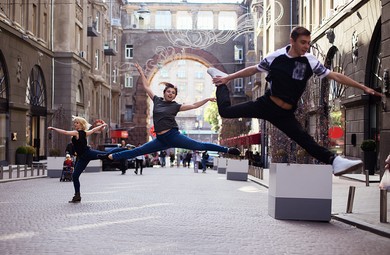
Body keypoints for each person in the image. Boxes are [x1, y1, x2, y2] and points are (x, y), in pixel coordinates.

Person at [208, 26, 383, 176]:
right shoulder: (276, 57)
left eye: (308, 43)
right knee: (225, 111)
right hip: (266, 104)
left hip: (285, 113)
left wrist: (363, 88)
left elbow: (335, 75)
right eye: (303, 42)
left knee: (305, 140)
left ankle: (335, 161)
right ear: (292, 41)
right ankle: (220, 81)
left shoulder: (310, 61)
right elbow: (254, 70)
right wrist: (228, 78)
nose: (306, 46)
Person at [98, 62, 240, 164]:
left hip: (173, 136)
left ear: (175, 95)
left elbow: (194, 105)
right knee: (138, 151)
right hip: (160, 139)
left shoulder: (175, 106)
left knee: (200, 146)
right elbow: (147, 87)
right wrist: (142, 73)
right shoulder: (157, 100)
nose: (171, 94)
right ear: (164, 93)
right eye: (169, 91)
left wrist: (207, 99)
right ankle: (109, 157)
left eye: (173, 93)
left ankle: (228, 150)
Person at [48, 116, 123, 203]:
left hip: (88, 153)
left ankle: (124, 149)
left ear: (81, 124)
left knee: (106, 155)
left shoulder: (78, 133)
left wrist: (53, 128)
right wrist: (101, 126)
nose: (75, 124)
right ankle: (77, 196)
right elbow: (94, 130)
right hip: (82, 157)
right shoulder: (83, 133)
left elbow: (65, 132)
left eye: (77, 123)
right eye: (74, 123)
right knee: (75, 176)